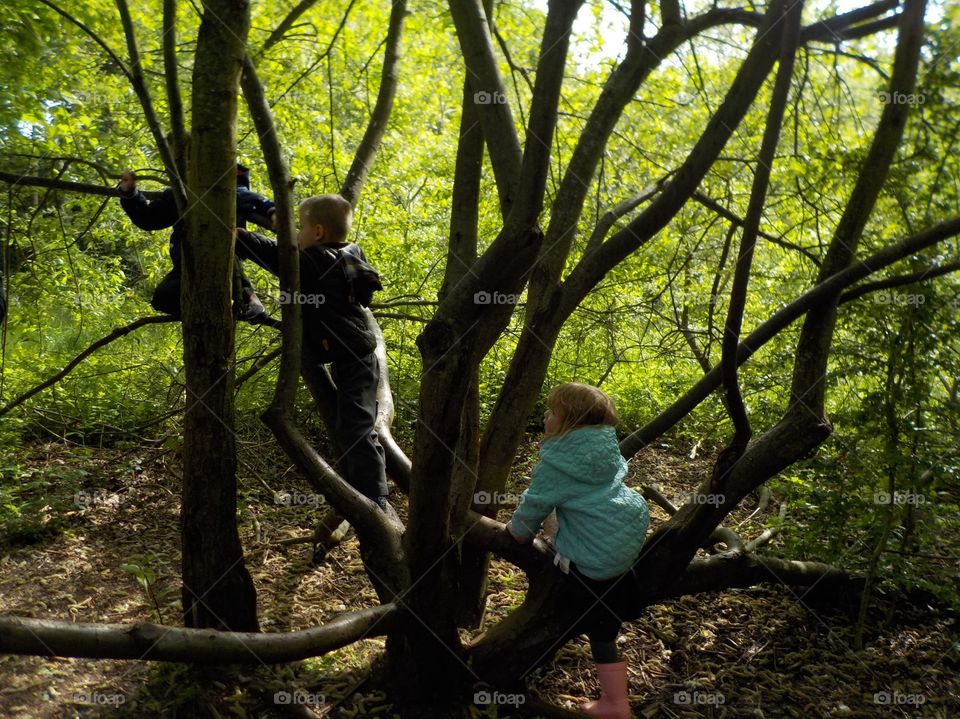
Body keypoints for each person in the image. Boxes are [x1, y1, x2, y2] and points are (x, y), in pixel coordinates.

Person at [235, 194, 392, 513]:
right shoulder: (344, 256)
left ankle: (376, 497)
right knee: (350, 424)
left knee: (357, 426)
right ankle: (367, 491)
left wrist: (240, 237)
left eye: (300, 229)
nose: (296, 237)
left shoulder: (319, 261)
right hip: (348, 351)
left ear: (318, 232)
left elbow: (277, 255)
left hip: (356, 355)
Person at [507, 383, 649, 719]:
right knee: (602, 619)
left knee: (598, 632)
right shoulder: (604, 448)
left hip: (595, 562)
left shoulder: (558, 464)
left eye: (553, 412)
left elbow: (533, 507)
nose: (546, 415)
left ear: (571, 423)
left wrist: (517, 533)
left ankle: (616, 705)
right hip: (621, 538)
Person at [118, 161, 278, 325]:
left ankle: (249, 299)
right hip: (186, 263)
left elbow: (260, 202)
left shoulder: (231, 193)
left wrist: (273, 213)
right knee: (163, 298)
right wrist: (130, 192)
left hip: (222, 258)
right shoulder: (179, 196)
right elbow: (148, 219)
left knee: (228, 268)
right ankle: (210, 314)